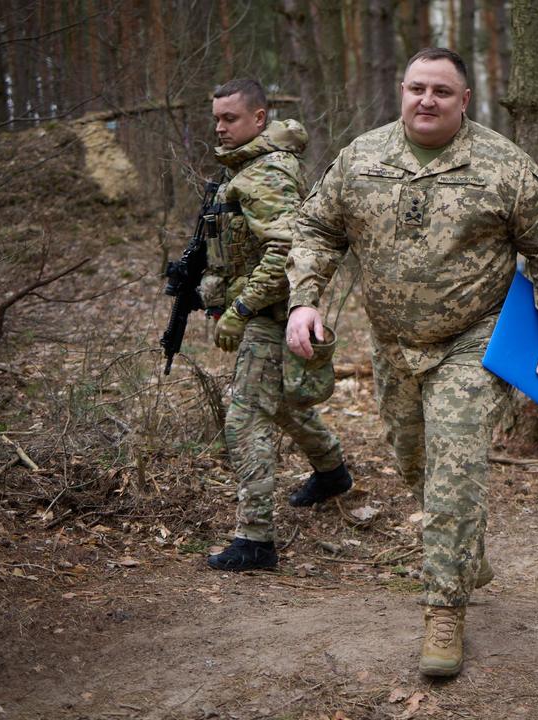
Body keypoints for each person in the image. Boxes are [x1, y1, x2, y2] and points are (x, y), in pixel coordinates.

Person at [283, 48, 538, 677]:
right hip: (392, 343)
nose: (427, 100)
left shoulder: (502, 164)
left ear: (465, 99)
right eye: (417, 87)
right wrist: (303, 301)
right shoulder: (361, 157)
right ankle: (464, 551)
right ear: (401, 90)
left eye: (442, 91)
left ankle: (443, 608)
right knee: (414, 459)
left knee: (455, 461)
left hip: (473, 339)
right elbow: (314, 229)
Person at [200, 79, 351, 573]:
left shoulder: (263, 175)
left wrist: (240, 309)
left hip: (271, 314)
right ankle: (332, 472)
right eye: (217, 118)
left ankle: (255, 540)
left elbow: (285, 249)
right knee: (283, 403)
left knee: (246, 419)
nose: (220, 128)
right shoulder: (248, 168)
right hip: (270, 311)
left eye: (231, 119)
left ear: (259, 119)